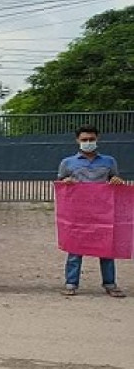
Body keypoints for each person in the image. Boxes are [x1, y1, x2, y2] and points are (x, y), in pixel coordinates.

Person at [58, 124, 126, 298]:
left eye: (91, 139)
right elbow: (59, 185)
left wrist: (117, 180)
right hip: (78, 212)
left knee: (107, 248)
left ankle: (110, 284)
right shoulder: (67, 162)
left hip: (103, 212)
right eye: (84, 140)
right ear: (77, 141)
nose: (88, 142)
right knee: (74, 249)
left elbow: (115, 181)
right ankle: (71, 283)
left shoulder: (109, 161)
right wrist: (66, 182)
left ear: (98, 139)